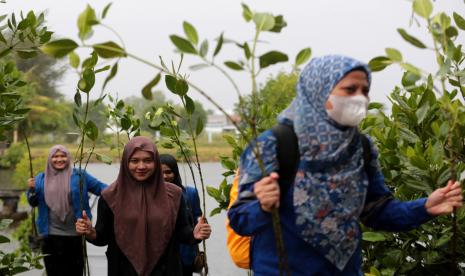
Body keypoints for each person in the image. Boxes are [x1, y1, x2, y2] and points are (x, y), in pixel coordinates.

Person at [227, 55, 463, 275]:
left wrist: (425, 207)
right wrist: (263, 206)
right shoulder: (273, 145)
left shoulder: (360, 147)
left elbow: (377, 211)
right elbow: (240, 220)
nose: (359, 97)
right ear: (319, 91)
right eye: (349, 89)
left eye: (365, 90)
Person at [75, 136, 212, 276]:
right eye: (134, 161)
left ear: (156, 162)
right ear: (125, 162)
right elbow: (103, 237)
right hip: (123, 270)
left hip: (166, 269)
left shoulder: (175, 195)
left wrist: (195, 235)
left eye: (148, 160)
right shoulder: (110, 196)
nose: (141, 166)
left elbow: (182, 233)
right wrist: (91, 233)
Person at [27, 145, 108, 276]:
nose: (59, 159)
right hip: (50, 236)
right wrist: (31, 190)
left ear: (68, 158)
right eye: (55, 156)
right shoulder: (40, 179)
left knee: (75, 272)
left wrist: (124, 189)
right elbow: (33, 202)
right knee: (54, 272)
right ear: (49, 159)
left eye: (63, 156)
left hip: (76, 234)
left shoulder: (80, 175)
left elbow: (102, 189)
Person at [159, 154, 206, 276]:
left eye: (169, 172)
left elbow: (196, 221)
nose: (165, 176)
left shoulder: (190, 193)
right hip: (161, 257)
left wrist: (201, 231)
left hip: (186, 254)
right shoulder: (150, 197)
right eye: (160, 172)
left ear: (175, 172)